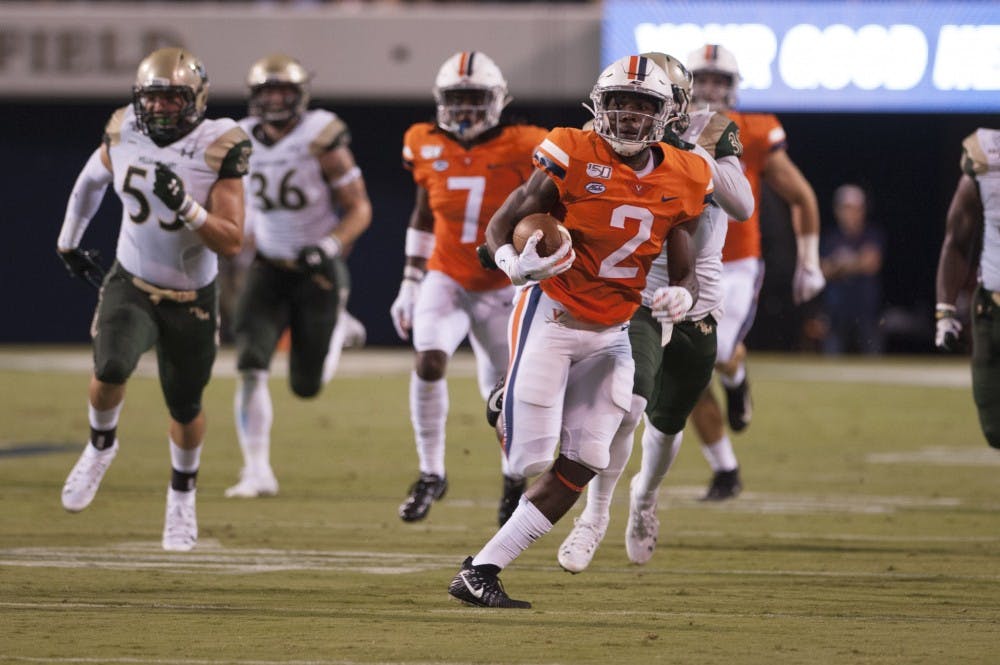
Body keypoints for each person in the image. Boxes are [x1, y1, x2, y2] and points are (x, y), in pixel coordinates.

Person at [447, 54, 713, 608]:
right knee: (526, 462)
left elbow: (684, 263)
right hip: (553, 313)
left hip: (615, 329)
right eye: (618, 103)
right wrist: (511, 263)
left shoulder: (685, 173)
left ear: (664, 115)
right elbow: (506, 220)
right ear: (599, 105)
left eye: (641, 107)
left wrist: (683, 294)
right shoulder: (571, 148)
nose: (628, 116)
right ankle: (506, 399)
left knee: (587, 458)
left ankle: (481, 571)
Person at [556, 52, 754, 572]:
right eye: (629, 103)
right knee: (628, 405)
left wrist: (686, 149)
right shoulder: (607, 138)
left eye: (650, 104)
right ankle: (594, 515)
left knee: (666, 425)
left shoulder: (709, 132)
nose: (635, 114)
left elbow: (742, 205)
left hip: (696, 300)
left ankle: (644, 496)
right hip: (637, 296)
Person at [56, 47, 251, 551]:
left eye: (172, 98)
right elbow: (91, 179)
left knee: (185, 406)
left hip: (191, 294)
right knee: (110, 367)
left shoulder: (219, 143)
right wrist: (68, 240)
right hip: (133, 280)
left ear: (196, 99)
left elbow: (231, 240)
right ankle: (100, 446)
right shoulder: (124, 128)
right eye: (152, 98)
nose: (160, 108)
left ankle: (182, 496)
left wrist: (186, 206)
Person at [390, 51, 548, 525]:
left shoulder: (528, 144)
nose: (464, 109)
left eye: (474, 98)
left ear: (497, 99)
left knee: (502, 395)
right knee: (428, 360)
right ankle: (431, 472)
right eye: (456, 99)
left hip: (505, 285)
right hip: (447, 275)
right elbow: (423, 214)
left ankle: (512, 478)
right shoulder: (422, 140)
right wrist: (410, 280)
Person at [226, 54, 372, 498]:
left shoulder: (320, 136)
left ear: (300, 95)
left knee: (306, 386)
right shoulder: (238, 139)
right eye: (267, 92)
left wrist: (329, 246)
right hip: (268, 266)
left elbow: (359, 208)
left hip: (317, 269)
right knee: (250, 364)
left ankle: (339, 325)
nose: (274, 100)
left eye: (283, 92)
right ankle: (256, 471)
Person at [685, 44, 825, 500]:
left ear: (733, 87)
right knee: (685, 369)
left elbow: (802, 196)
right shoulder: (666, 129)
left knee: (719, 351)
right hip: (680, 264)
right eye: (702, 79)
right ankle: (725, 469)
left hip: (735, 264)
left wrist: (809, 261)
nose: (710, 89)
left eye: (719, 81)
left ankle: (736, 376)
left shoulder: (754, 131)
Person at [935, 127, 1000, 450]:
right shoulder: (987, 156)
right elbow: (957, 240)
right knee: (995, 428)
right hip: (993, 310)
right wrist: (945, 311)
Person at [820, 184, 885, 355]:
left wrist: (840, 265)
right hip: (836, 313)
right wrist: (857, 262)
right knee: (831, 361)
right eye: (846, 208)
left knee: (873, 360)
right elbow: (822, 271)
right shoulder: (830, 238)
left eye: (855, 208)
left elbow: (871, 264)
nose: (851, 213)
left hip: (866, 313)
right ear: (838, 211)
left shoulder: (872, 235)